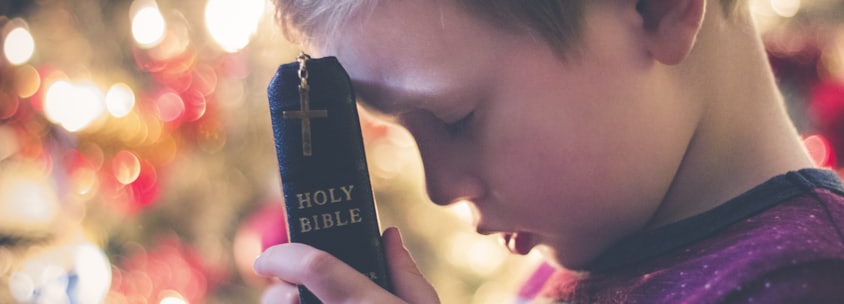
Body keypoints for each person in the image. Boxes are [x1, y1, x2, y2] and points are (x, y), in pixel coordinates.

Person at [253, 0, 844, 302]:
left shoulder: (805, 280)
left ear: (654, 8)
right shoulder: (560, 276)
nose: (439, 188)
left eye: (458, 121)